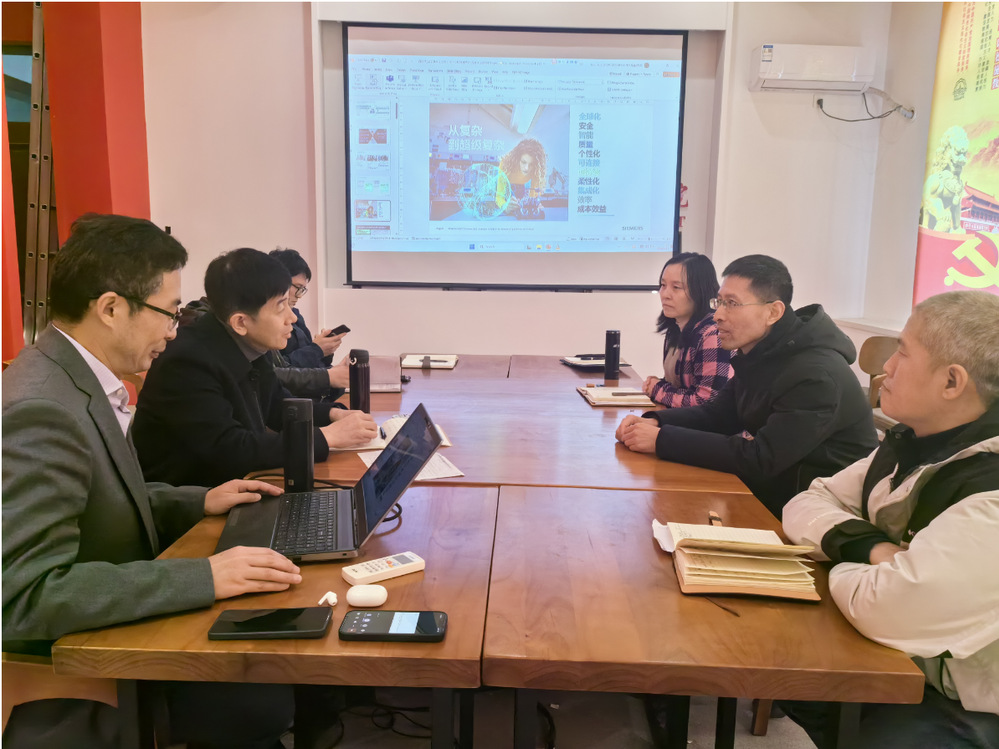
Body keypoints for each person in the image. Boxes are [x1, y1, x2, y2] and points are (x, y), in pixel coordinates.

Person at [2, 214, 301, 749]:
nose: (174, 330)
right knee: (259, 694)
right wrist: (202, 576)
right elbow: (25, 596)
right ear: (111, 308)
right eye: (170, 312)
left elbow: (103, 498)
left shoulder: (75, 377)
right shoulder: (42, 408)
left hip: (117, 611)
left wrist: (199, 500)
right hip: (86, 658)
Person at [780, 290, 999, 748]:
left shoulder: (989, 485)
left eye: (902, 351)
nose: (886, 367)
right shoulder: (913, 442)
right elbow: (808, 501)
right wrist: (873, 549)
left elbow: (889, 608)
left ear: (952, 382)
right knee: (784, 660)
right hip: (914, 656)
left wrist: (842, 559)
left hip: (971, 702)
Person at [616, 254, 877, 517]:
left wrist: (662, 440)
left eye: (732, 304)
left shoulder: (816, 376)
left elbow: (760, 458)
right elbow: (718, 415)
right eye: (719, 302)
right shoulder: (760, 351)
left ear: (773, 312)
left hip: (815, 511)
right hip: (776, 493)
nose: (718, 315)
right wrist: (656, 421)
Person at [132, 248, 377, 487]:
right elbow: (231, 449)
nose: (292, 318)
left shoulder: (250, 344)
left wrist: (333, 414)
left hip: (236, 486)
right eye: (281, 306)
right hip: (193, 501)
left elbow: (278, 405)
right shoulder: (187, 363)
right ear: (240, 322)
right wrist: (328, 437)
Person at [642, 252, 732, 407]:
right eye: (663, 285)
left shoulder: (713, 334)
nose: (665, 294)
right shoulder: (676, 328)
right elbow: (679, 386)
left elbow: (707, 402)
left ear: (700, 291)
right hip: (679, 419)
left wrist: (657, 389)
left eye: (676, 287)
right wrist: (657, 384)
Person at [270, 247, 344, 370]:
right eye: (298, 287)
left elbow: (312, 360)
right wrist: (317, 349)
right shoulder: (268, 321)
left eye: (303, 289)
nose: (299, 296)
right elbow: (280, 369)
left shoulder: (296, 316)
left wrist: (325, 349)